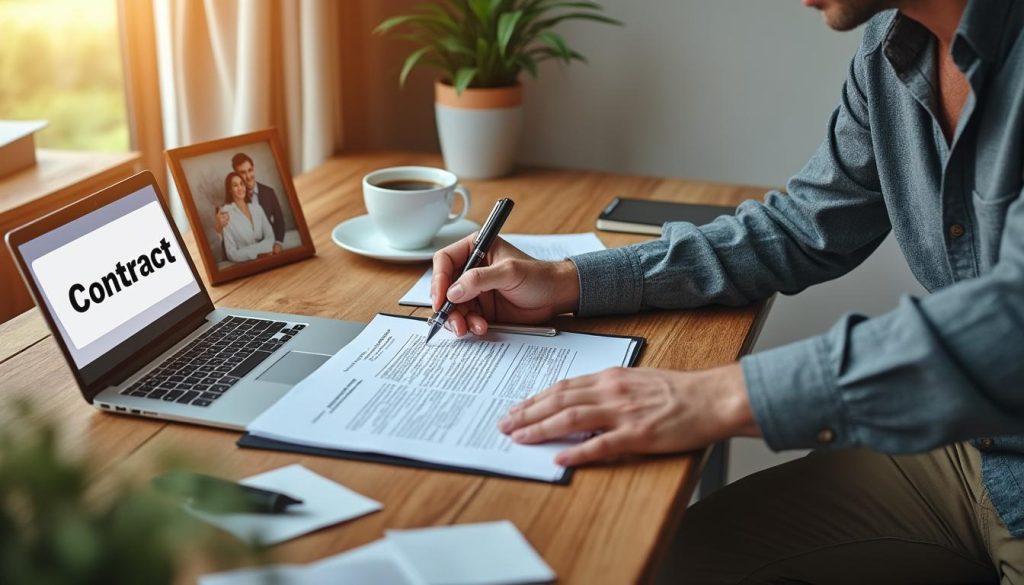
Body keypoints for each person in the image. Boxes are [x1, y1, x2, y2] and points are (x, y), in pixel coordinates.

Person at [430, 0, 1024, 581]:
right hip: (964, 446)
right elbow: (804, 226)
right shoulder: (891, 49)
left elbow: (1011, 320)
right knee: (661, 567)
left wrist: (716, 397)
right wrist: (569, 280)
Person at [213, 152, 287, 248]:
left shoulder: (269, 192)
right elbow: (228, 243)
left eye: (250, 170)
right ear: (236, 174)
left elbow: (279, 221)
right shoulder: (227, 209)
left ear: (253, 169)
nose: (248, 176)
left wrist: (278, 243)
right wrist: (219, 229)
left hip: (269, 246)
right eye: (243, 173)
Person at [219, 172, 281, 263]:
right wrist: (258, 254)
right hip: (248, 263)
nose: (240, 188)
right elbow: (231, 253)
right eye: (235, 185)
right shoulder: (225, 213)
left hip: (267, 258)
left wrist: (250, 251)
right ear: (230, 190)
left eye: (242, 184)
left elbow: (271, 238)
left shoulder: (257, 208)